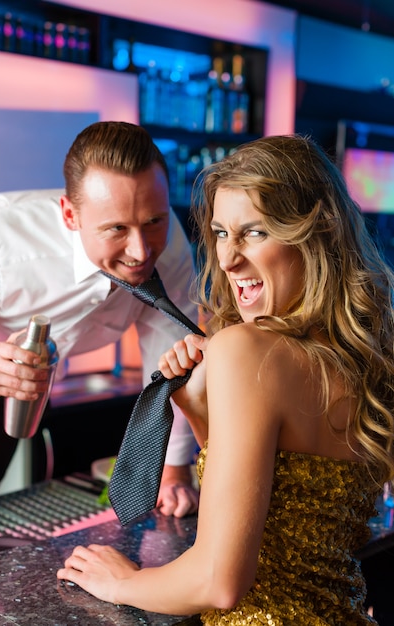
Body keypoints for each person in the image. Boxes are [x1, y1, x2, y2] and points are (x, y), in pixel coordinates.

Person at [57, 134, 394, 625]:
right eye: (220, 232)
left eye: (255, 232)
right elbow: (289, 506)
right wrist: (199, 411)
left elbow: (219, 580)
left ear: (313, 232)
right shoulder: (362, 353)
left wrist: (123, 582)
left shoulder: (245, 349)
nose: (230, 259)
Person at [0, 120, 199, 517]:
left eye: (154, 221)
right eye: (116, 228)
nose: (141, 250)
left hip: (17, 398)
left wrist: (175, 470)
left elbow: (174, 359)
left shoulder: (172, 247)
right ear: (69, 215)